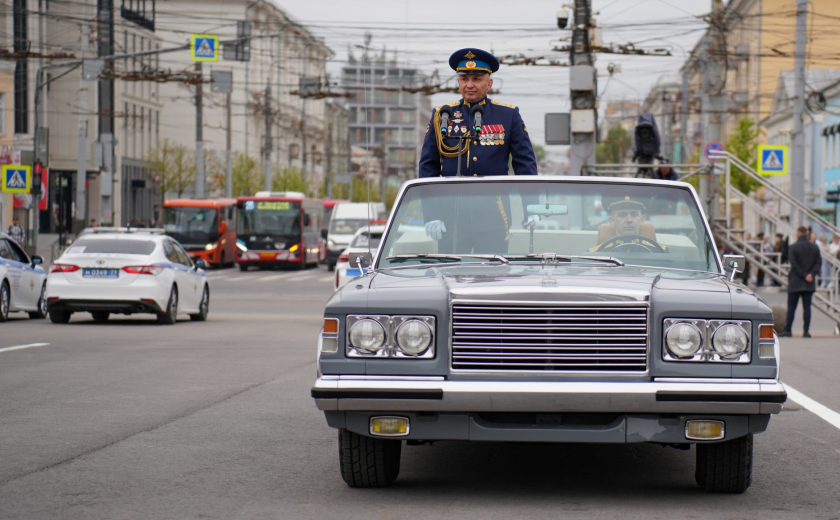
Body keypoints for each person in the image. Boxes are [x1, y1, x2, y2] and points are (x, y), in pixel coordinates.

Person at [418, 48, 539, 254]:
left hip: (493, 213)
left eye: (477, 79)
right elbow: (428, 166)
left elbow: (524, 165)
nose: (469, 84)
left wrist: (531, 207)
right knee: (452, 270)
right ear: (458, 82)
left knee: (494, 269)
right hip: (451, 215)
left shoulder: (507, 115)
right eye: (464, 79)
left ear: (489, 83)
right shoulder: (443, 115)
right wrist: (432, 214)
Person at [589, 192, 667, 253]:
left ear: (642, 219)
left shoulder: (659, 252)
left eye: (634, 214)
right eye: (622, 215)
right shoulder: (596, 254)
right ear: (612, 221)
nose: (629, 220)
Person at [780, 226, 822, 338]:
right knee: (807, 308)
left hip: (796, 281)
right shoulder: (814, 247)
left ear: (797, 234)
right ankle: (806, 331)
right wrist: (811, 274)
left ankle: (788, 330)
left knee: (791, 307)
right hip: (809, 282)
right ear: (807, 234)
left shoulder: (793, 247)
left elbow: (793, 264)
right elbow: (818, 262)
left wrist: (803, 275)